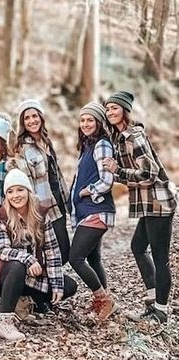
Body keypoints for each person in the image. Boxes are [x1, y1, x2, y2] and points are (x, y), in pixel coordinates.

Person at [104, 91, 177, 323]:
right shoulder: (121, 138)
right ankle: (153, 300)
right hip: (149, 204)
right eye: (107, 109)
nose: (110, 112)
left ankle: (161, 312)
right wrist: (117, 174)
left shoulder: (134, 136)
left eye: (114, 108)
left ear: (125, 110)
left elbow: (149, 172)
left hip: (159, 202)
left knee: (160, 257)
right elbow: (131, 176)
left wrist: (118, 171)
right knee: (137, 246)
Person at [0, 168, 76, 341]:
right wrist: (28, 259)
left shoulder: (41, 215)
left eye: (20, 189)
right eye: (10, 191)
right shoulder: (1, 216)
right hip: (7, 275)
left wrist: (57, 284)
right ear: (6, 195)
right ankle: (5, 322)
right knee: (17, 266)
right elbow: (1, 249)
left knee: (68, 286)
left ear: (28, 191)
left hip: (33, 277)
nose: (16, 195)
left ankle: (27, 301)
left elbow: (52, 252)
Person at [68, 102, 117, 321]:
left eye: (90, 120)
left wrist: (87, 191)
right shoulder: (88, 146)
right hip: (89, 212)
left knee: (75, 258)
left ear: (99, 122)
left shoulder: (102, 145)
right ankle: (101, 305)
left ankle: (104, 299)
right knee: (94, 258)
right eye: (83, 120)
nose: (86, 124)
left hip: (97, 211)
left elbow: (107, 180)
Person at [14, 99, 71, 265]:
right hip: (42, 207)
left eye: (34, 116)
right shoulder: (23, 147)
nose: (32, 121)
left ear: (41, 117)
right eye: (27, 118)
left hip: (58, 203)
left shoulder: (46, 141)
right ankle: (47, 287)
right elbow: (27, 183)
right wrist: (32, 211)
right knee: (54, 251)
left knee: (64, 251)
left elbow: (56, 174)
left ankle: (52, 283)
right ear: (23, 123)